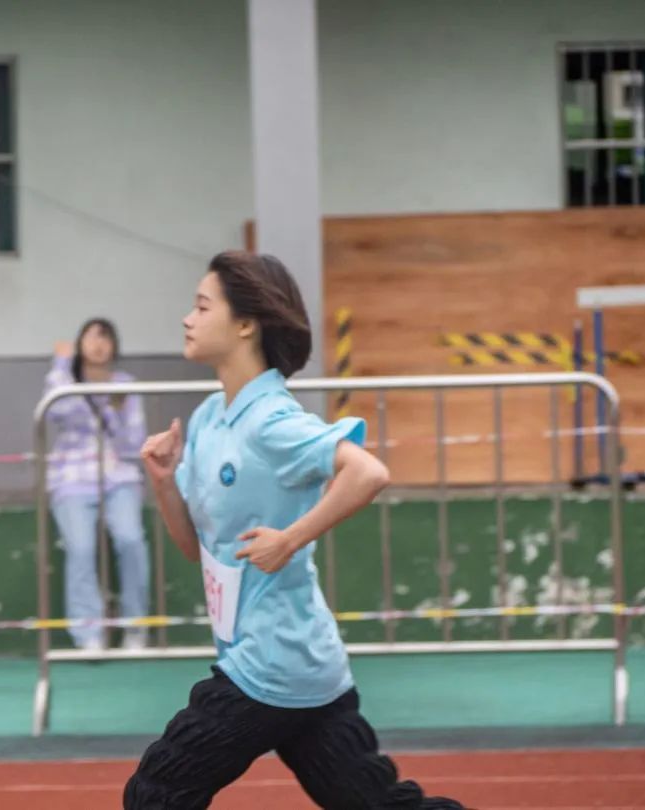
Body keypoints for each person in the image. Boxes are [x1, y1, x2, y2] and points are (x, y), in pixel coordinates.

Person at [124, 252, 464, 809]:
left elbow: (368, 472)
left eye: (202, 306)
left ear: (245, 324)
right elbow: (194, 548)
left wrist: (290, 539)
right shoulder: (209, 417)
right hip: (304, 666)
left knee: (156, 794)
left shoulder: (272, 421)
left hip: (271, 661)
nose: (187, 318)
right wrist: (163, 482)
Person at [45, 318, 150, 652]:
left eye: (105, 337)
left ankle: (136, 627)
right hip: (72, 478)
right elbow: (55, 411)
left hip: (118, 476)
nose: (98, 344)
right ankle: (88, 633)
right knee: (80, 548)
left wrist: (117, 412)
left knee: (131, 540)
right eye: (91, 337)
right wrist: (62, 363)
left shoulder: (126, 386)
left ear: (115, 346)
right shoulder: (65, 381)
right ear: (79, 344)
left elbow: (134, 441)